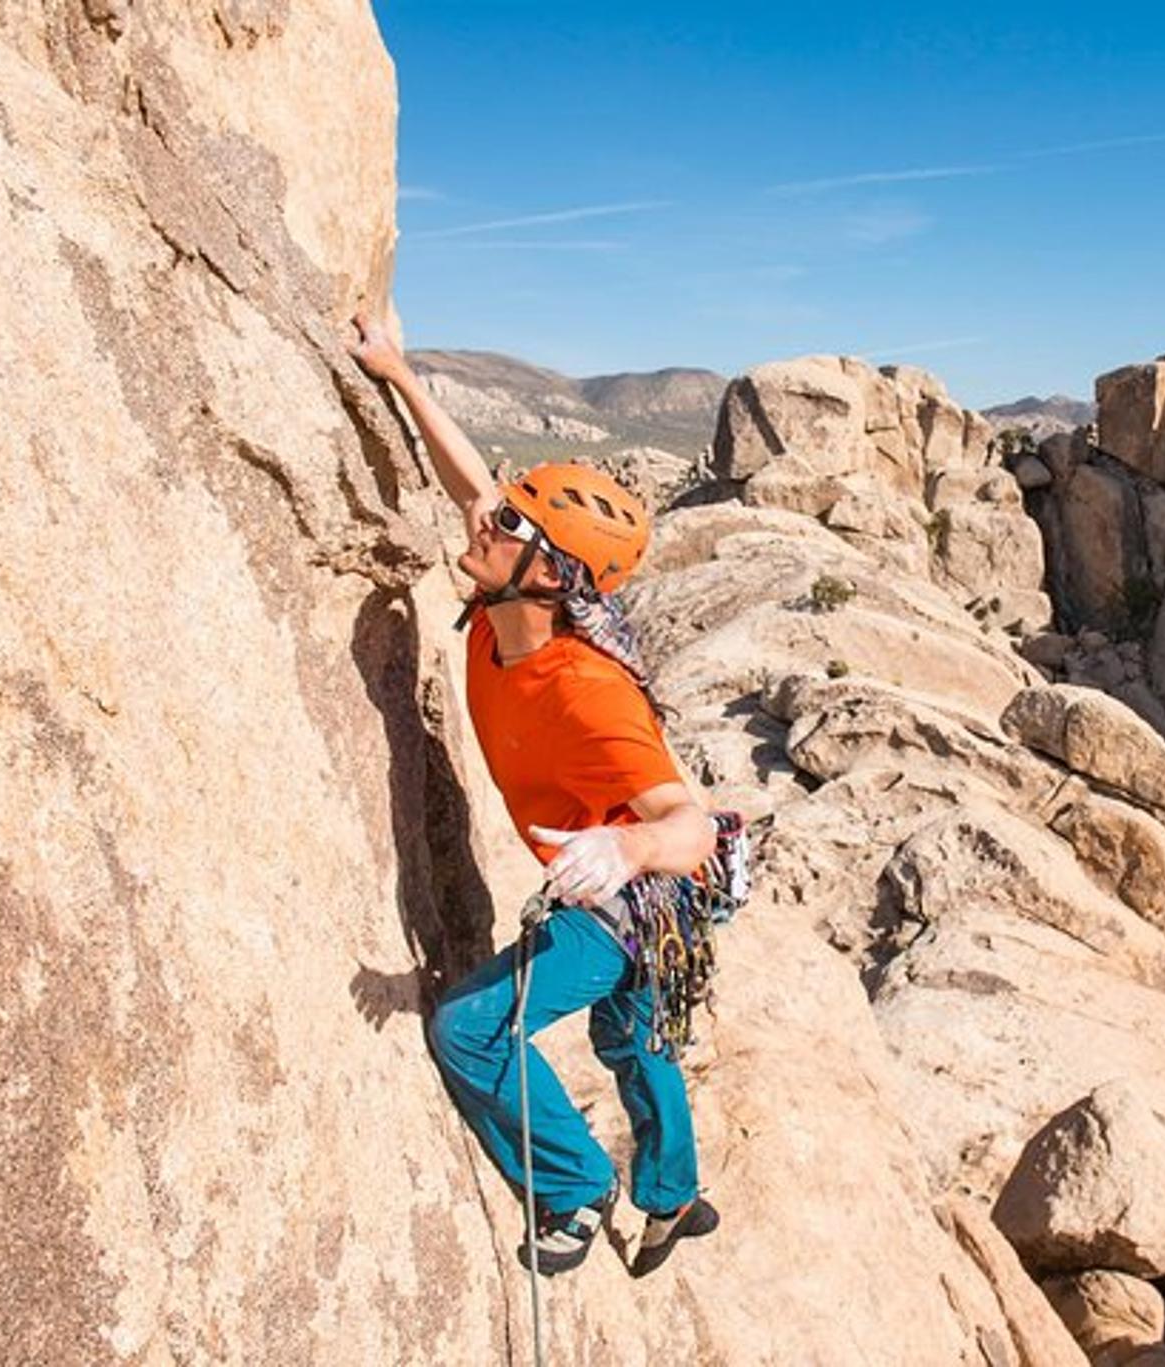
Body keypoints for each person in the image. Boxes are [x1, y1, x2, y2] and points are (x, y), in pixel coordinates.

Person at [348, 312, 720, 1278]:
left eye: (512, 525)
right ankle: (675, 1195)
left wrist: (626, 850)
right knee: (634, 1038)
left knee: (472, 1029)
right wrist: (400, 374)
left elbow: (689, 824)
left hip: (627, 891)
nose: (486, 520)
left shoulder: (586, 691)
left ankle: (575, 1186)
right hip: (628, 879)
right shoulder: (500, 605)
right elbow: (473, 482)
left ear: (550, 575)